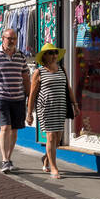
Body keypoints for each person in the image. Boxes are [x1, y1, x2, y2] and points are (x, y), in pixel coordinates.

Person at [27, 42, 79, 180]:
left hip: (60, 107)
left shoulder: (62, 69)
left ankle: (46, 158)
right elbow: (32, 94)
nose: (54, 55)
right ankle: (54, 168)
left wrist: (75, 104)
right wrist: (29, 114)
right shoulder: (39, 72)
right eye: (51, 53)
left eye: (56, 52)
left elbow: (68, 88)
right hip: (46, 108)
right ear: (44, 56)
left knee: (57, 140)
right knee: (50, 137)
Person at [0, 28, 29, 174]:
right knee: (5, 127)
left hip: (18, 98)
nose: (12, 41)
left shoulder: (21, 56)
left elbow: (26, 78)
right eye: (9, 38)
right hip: (0, 96)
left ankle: (8, 158)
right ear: (3, 38)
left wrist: (29, 97)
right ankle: (4, 160)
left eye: (14, 38)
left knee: (14, 129)